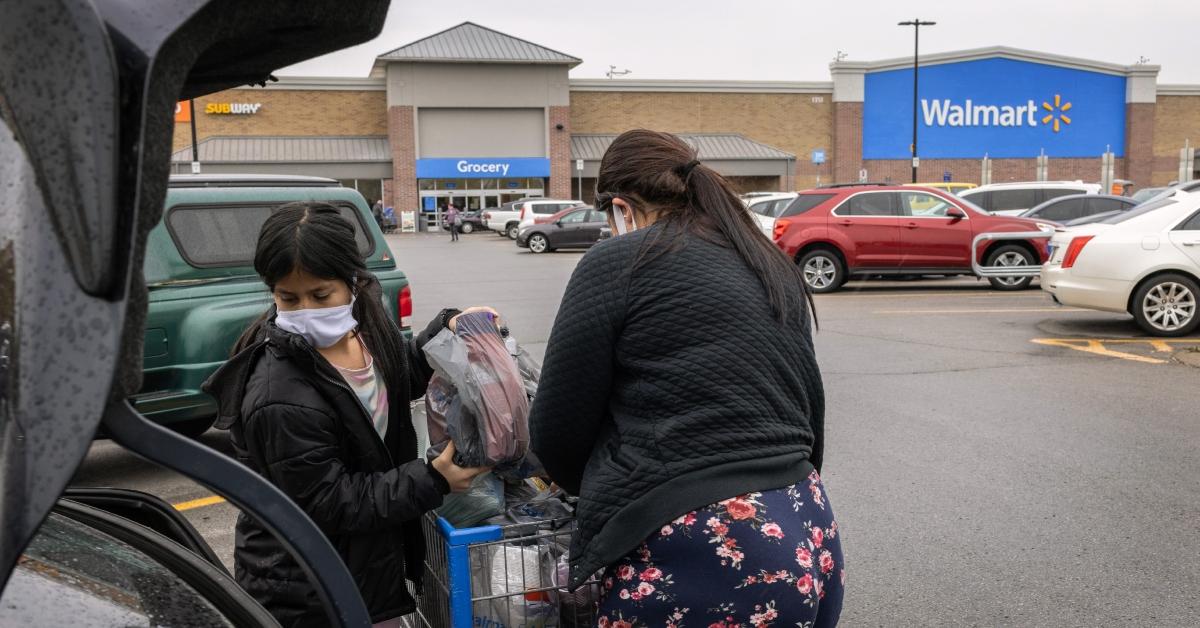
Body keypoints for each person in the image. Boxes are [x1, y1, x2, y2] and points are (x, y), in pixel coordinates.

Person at [529, 130, 842, 626]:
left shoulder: (619, 262)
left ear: (621, 208)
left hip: (701, 541)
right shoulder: (766, 261)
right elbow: (807, 401)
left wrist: (596, 485)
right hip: (805, 520)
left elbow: (557, 430)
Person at [203, 202, 494, 627]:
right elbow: (331, 502)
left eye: (321, 294)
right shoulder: (277, 394)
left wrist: (447, 328)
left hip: (364, 573)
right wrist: (432, 478)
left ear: (352, 281)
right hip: (313, 595)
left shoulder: (365, 324)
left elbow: (393, 379)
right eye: (288, 297)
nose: (306, 310)